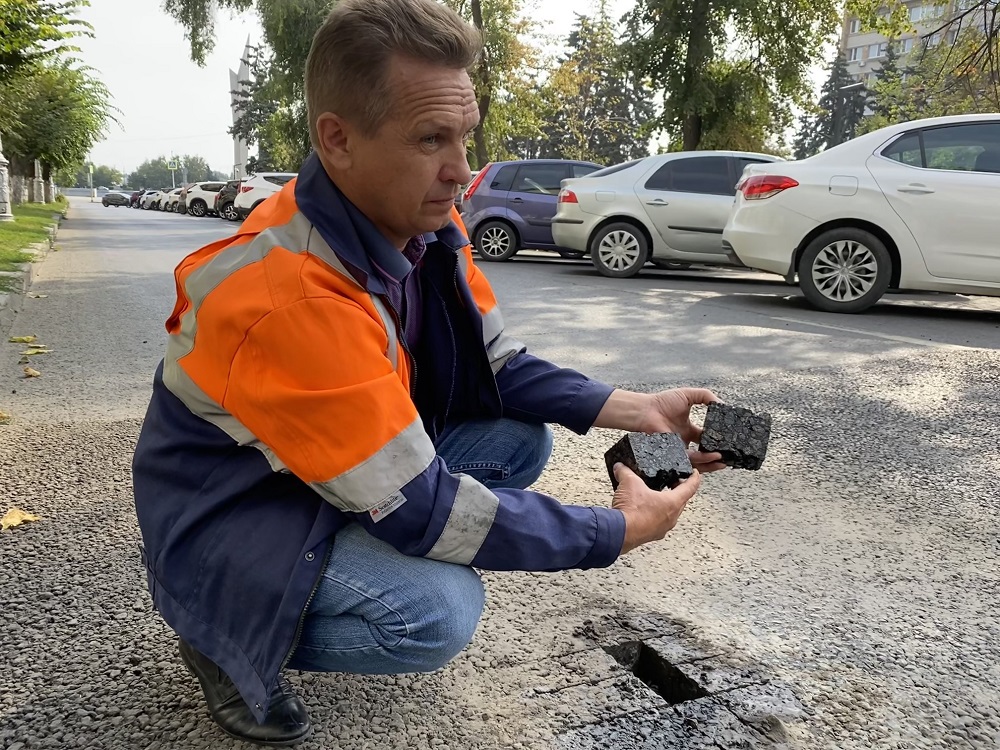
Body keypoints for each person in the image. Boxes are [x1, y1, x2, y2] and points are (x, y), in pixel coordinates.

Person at [131, 0, 726, 745]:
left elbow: (497, 364)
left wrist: (639, 411)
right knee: (439, 610)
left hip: (319, 468)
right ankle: (222, 633)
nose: (462, 170)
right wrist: (615, 530)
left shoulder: (422, 222)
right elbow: (425, 509)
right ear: (338, 140)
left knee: (519, 439)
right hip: (237, 512)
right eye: (429, 139)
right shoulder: (287, 297)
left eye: (464, 137)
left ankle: (326, 560)